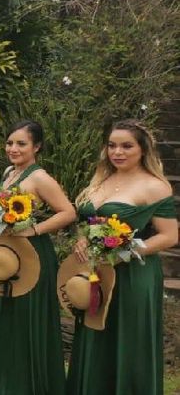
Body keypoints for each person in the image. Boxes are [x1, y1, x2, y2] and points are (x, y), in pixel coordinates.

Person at [67, 119, 176, 394]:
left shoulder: (155, 186)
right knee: (95, 332)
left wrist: (126, 251)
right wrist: (81, 239)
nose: (118, 152)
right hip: (97, 273)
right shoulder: (101, 178)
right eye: (112, 145)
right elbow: (88, 221)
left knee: (129, 340)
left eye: (127, 146)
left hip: (134, 276)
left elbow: (169, 236)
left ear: (142, 149)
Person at [0, 120, 73, 394]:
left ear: (37, 146)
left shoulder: (39, 177)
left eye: (21, 144)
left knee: (24, 320)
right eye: (10, 143)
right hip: (6, 255)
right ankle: (1, 382)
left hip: (32, 255)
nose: (13, 148)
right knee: (5, 318)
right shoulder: (10, 172)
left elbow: (68, 212)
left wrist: (34, 230)